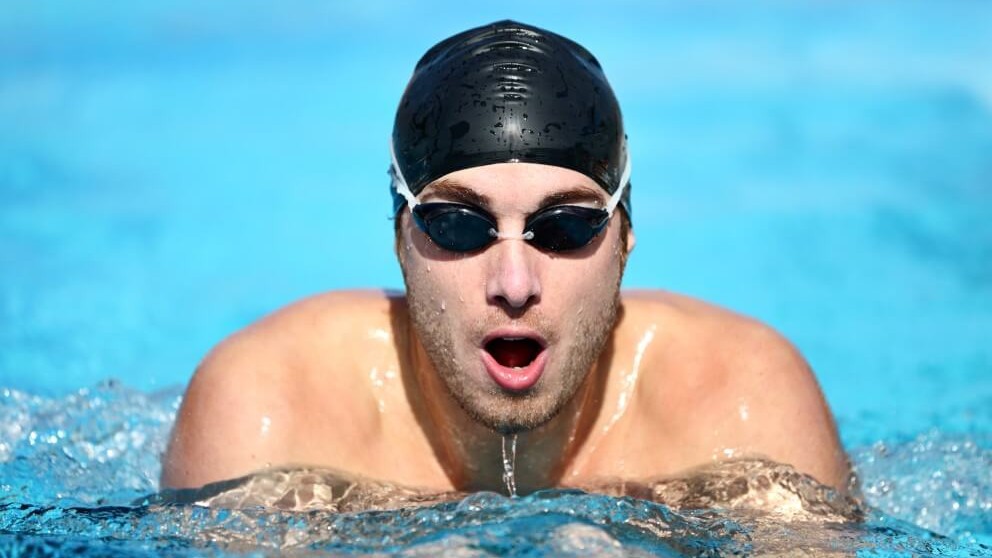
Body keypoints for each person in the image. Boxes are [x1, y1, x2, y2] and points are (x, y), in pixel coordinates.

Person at [161, 20, 851, 500]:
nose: (514, 284)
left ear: (624, 241)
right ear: (401, 239)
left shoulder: (744, 407)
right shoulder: (271, 413)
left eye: (565, 226)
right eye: (460, 226)